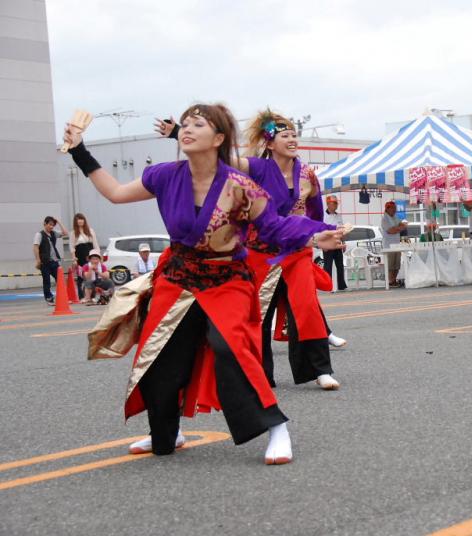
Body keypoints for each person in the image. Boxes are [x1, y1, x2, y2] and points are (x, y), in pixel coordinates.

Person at [64, 102, 343, 464]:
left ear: (219, 138)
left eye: (199, 124)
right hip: (178, 277)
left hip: (226, 278)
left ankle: (276, 427)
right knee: (160, 356)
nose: (188, 129)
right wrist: (79, 152)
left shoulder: (240, 186)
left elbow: (274, 226)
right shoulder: (165, 175)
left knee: (232, 350)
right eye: (185, 124)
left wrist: (313, 236)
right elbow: (115, 193)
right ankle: (166, 432)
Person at [33, 216, 67, 305]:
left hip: (54, 261)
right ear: (45, 224)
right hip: (44, 262)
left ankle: (61, 297)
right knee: (46, 280)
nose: (51, 227)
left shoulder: (53, 233)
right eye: (50, 224)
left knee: (60, 279)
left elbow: (65, 233)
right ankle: (49, 298)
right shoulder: (39, 234)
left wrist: (58, 221)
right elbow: (35, 247)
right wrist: (38, 260)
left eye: (53, 225)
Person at [69, 213, 99, 299]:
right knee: (81, 276)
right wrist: (74, 259)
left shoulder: (90, 230)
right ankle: (82, 295)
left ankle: (92, 295)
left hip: (91, 254)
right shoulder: (73, 233)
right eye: (78, 219)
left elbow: (95, 244)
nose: (80, 221)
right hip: (80, 255)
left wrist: (98, 256)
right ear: (76, 221)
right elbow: (72, 247)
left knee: (93, 274)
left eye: (82, 219)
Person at [322, 195, 348, 292]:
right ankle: (327, 285)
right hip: (327, 243)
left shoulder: (338, 215)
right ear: (328, 204)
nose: (336, 205)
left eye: (337, 203)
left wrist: (344, 242)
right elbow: (321, 231)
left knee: (340, 265)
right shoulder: (323, 216)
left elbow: (342, 229)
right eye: (334, 203)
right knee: (328, 266)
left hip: (337, 242)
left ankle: (341, 285)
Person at [381, 200, 406, 287]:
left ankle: (394, 280)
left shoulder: (395, 217)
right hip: (389, 246)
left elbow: (403, 225)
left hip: (397, 244)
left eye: (395, 208)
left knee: (397, 265)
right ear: (387, 209)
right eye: (393, 208)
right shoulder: (384, 219)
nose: (394, 210)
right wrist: (398, 228)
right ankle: (390, 281)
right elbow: (390, 231)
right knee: (390, 265)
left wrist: (397, 228)